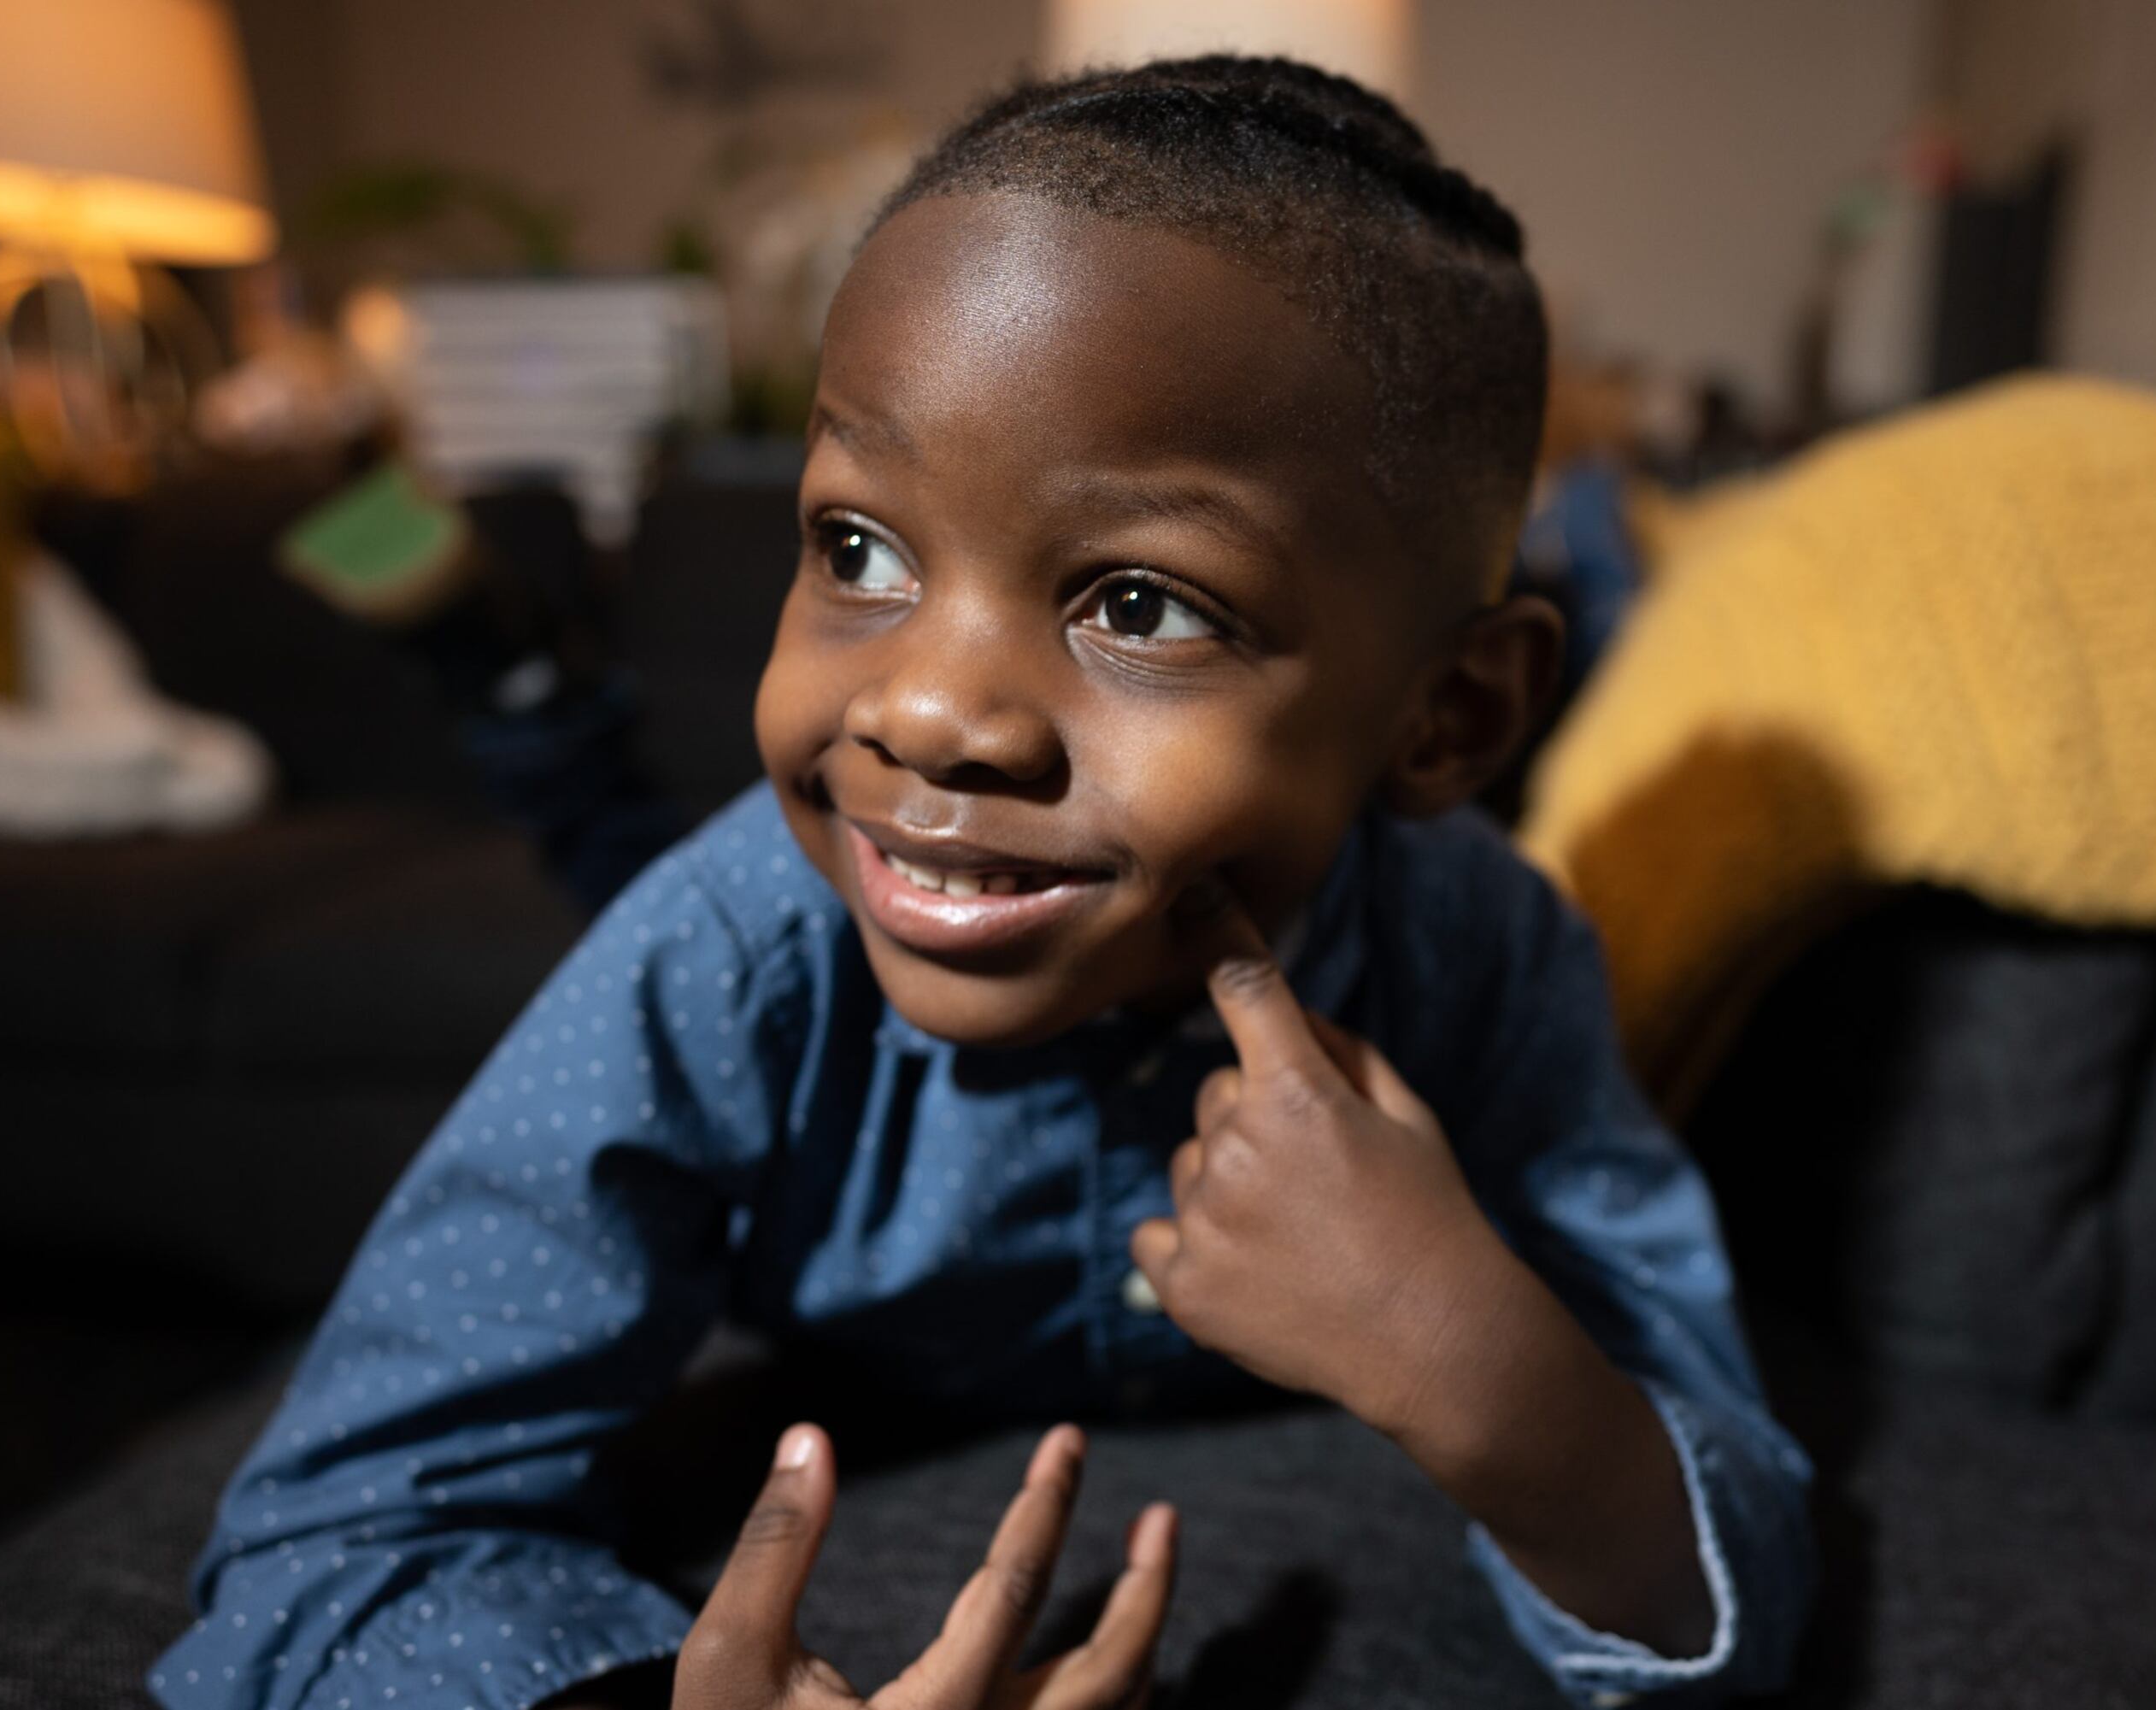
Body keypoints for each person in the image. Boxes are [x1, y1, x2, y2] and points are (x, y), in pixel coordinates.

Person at [151, 56, 1813, 1710]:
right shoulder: (729, 950)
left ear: (1446, 716)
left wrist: (1475, 1356)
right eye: (857, 550)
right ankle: (525, 693)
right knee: (648, 863)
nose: (926, 707)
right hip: (811, 897)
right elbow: (332, 1532)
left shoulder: (1487, 956)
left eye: (1144, 603)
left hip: (974, 888)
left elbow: (1733, 1562)